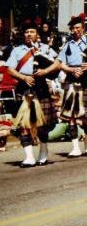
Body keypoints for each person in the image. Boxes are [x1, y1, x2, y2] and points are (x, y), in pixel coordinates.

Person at [6, 19, 60, 167]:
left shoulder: (45, 48)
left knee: (42, 126)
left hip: (41, 88)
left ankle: (43, 151)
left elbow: (58, 63)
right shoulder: (17, 50)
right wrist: (23, 77)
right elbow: (10, 69)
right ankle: (29, 157)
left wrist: (46, 71)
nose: (29, 34)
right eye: (26, 32)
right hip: (24, 89)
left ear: (37, 34)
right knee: (24, 125)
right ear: (23, 35)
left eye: (32, 32)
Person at [55, 14, 87, 158]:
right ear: (71, 30)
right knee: (71, 115)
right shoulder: (67, 45)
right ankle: (75, 147)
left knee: (86, 115)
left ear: (83, 28)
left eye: (78, 27)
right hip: (72, 78)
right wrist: (71, 70)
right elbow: (61, 63)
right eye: (73, 28)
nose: (76, 30)